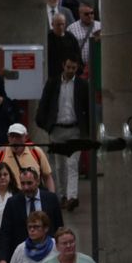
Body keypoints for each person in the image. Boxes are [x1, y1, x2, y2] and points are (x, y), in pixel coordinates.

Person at [36, 56, 91, 214]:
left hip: (75, 130)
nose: (70, 71)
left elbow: (88, 107)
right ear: (63, 66)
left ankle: (72, 197)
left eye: (74, 68)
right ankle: (62, 196)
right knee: (60, 166)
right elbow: (44, 104)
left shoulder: (82, 85)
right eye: (68, 67)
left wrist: (86, 131)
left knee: (72, 164)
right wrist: (46, 125)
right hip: (57, 129)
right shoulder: (53, 83)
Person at [1, 166, 64, 263]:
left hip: (49, 252)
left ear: (37, 181)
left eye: (29, 183)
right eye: (23, 184)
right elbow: (5, 232)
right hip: (22, 255)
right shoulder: (12, 203)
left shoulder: (51, 199)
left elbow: (59, 227)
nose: (26, 187)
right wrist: (3, 258)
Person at [0, 122, 54, 192]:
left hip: (32, 195)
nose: (15, 139)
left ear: (26, 137)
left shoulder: (36, 151)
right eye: (12, 136)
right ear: (8, 137)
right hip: (8, 197)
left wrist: (52, 197)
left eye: (18, 136)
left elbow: (47, 176)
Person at [48, 11, 84, 80]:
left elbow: (77, 55)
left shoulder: (70, 37)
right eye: (58, 25)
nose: (61, 27)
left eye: (63, 24)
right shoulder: (48, 38)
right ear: (52, 24)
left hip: (70, 73)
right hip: (53, 74)